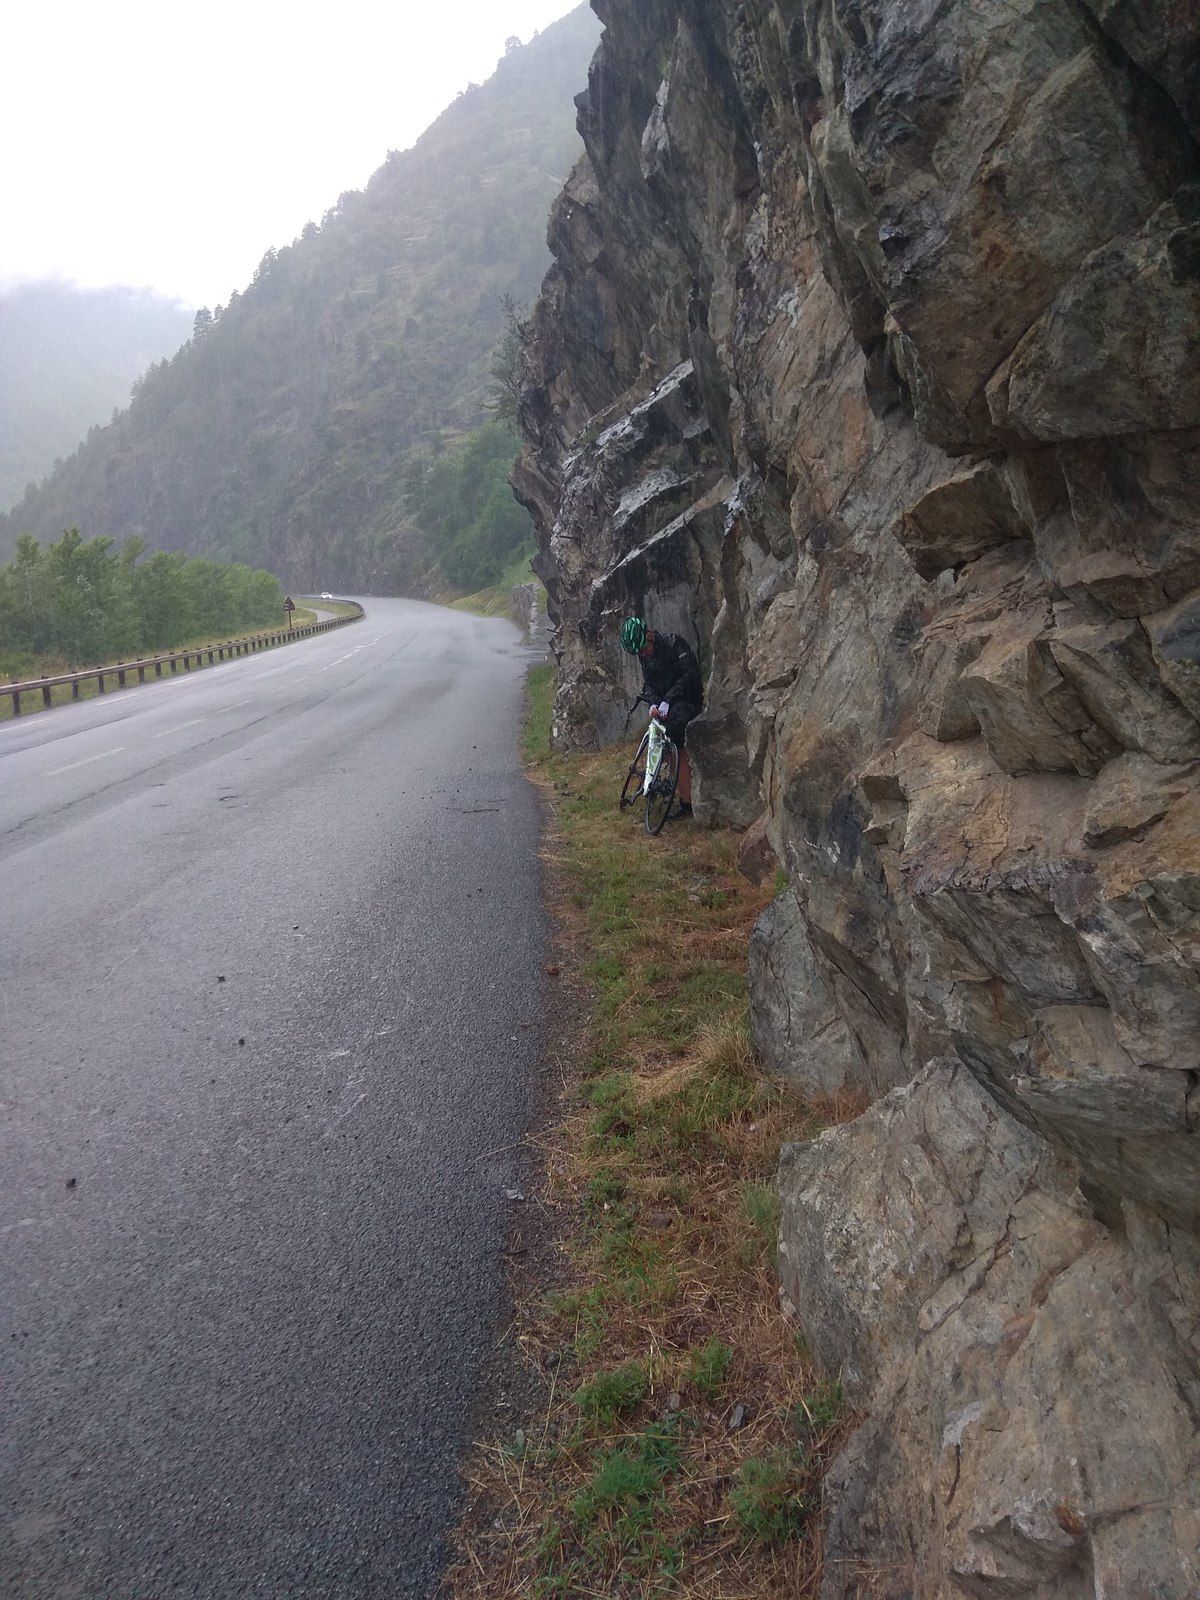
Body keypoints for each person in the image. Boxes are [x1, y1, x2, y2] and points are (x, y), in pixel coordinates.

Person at [620, 615, 702, 817]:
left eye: (643, 649)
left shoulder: (675, 644)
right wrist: (653, 703)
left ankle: (687, 803)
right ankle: (661, 779)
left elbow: (691, 675)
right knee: (659, 732)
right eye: (639, 653)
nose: (643, 654)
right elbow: (649, 683)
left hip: (687, 700)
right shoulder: (644, 655)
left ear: (649, 636)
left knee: (675, 738)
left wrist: (668, 699)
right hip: (665, 703)